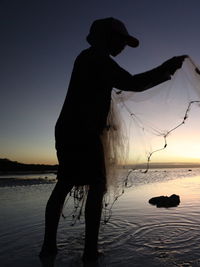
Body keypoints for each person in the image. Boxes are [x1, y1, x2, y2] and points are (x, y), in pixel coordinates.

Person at [39, 17, 186, 261]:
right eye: (122, 41)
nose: (124, 47)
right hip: (81, 132)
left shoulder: (87, 58)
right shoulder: (97, 58)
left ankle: (48, 247)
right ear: (107, 37)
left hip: (69, 129)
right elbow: (132, 83)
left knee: (64, 184)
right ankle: (89, 252)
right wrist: (167, 67)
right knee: (96, 186)